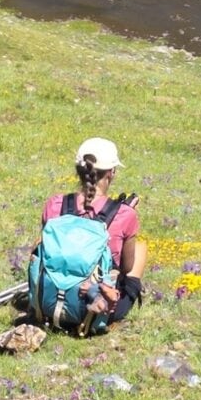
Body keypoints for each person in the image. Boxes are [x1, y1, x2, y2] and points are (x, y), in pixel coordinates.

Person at [40, 136, 147, 327]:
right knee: (140, 248)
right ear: (111, 172)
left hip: (48, 301)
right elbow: (126, 267)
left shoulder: (55, 204)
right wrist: (128, 215)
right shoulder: (125, 214)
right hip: (96, 310)